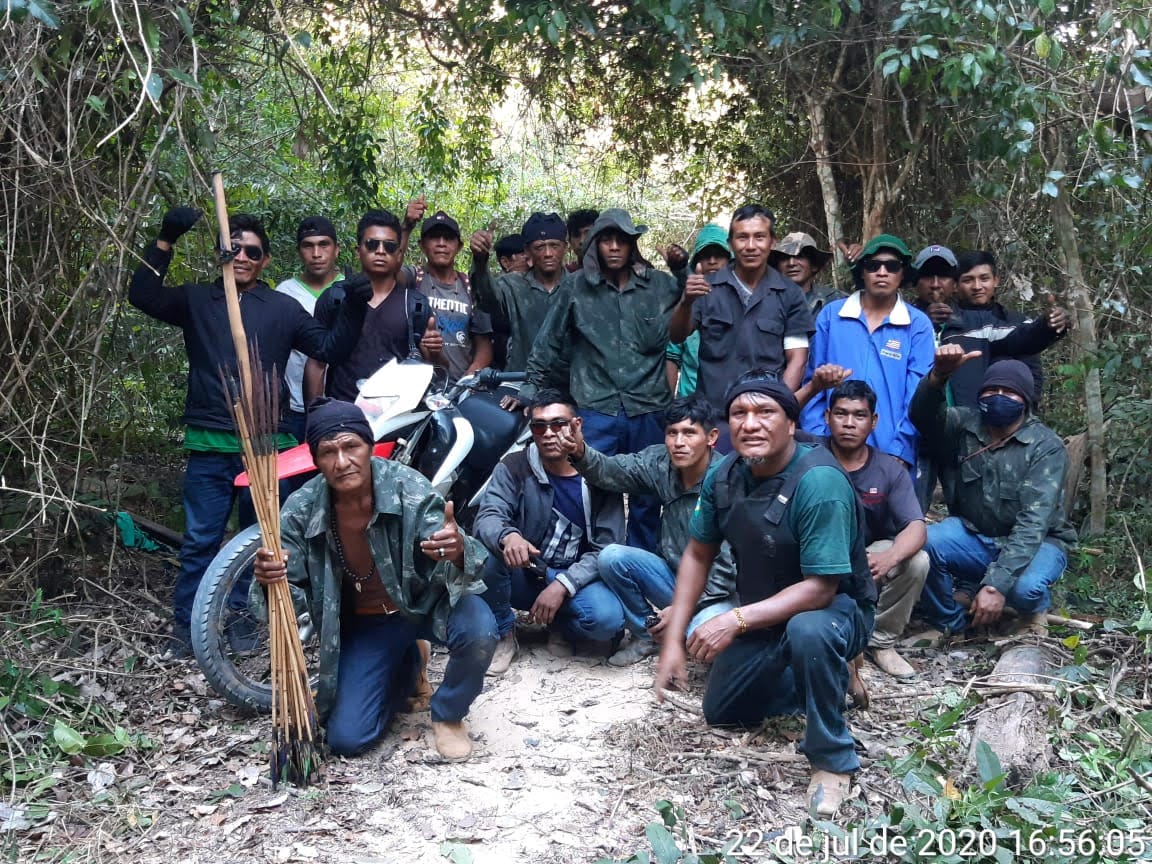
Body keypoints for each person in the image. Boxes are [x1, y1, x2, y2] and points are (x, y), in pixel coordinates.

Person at [128, 208, 370, 656]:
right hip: (210, 441)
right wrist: (164, 240)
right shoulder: (199, 300)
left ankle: (241, 620)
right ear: (221, 253)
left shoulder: (281, 307)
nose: (241, 256)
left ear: (264, 262)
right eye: (233, 247)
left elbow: (328, 346)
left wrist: (355, 304)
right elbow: (141, 295)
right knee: (201, 538)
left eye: (252, 251)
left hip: (265, 444)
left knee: (257, 540)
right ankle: (187, 626)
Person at [653, 372, 875, 818]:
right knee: (722, 710)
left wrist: (733, 621)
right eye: (740, 413)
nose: (750, 424)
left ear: (791, 424)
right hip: (765, 610)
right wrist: (673, 643)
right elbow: (698, 554)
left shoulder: (820, 483)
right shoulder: (725, 474)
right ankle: (827, 676)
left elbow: (821, 587)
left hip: (833, 610)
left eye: (766, 412)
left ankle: (832, 759)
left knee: (810, 631)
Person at [250, 398, 496, 759]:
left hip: (426, 603)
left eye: (352, 446)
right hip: (369, 623)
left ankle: (450, 714)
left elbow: (459, 551)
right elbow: (289, 601)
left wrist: (455, 548)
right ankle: (409, 664)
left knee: (480, 631)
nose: (342, 461)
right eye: (328, 452)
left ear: (370, 447)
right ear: (315, 460)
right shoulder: (301, 510)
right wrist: (271, 580)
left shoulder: (406, 486)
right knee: (348, 740)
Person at [518, 208, 681, 553]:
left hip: (648, 405)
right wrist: (531, 393)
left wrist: (683, 267)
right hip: (596, 406)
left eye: (621, 239)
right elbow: (547, 343)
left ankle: (640, 564)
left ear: (632, 244)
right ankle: (589, 562)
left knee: (648, 492)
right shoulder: (576, 288)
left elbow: (695, 305)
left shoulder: (660, 285)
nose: (614, 247)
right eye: (605, 239)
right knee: (589, 487)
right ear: (593, 246)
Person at [556, 394, 738, 666]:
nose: (679, 442)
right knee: (612, 557)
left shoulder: (726, 481)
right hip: (675, 578)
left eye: (689, 433)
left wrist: (681, 609)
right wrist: (580, 451)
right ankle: (647, 635)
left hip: (718, 593)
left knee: (703, 639)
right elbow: (611, 471)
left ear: (711, 437)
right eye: (672, 433)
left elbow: (727, 570)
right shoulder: (660, 463)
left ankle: (680, 632)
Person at [910, 351, 1077, 640]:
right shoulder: (964, 424)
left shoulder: (1045, 447)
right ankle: (949, 624)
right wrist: (938, 377)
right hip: (976, 535)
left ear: (1025, 400)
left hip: (1039, 544)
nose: (998, 397)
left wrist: (996, 586)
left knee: (1026, 590)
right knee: (925, 543)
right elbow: (922, 416)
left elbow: (1033, 525)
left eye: (1009, 392)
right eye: (991, 390)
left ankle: (1031, 613)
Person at [473, 390, 626, 671]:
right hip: (526, 571)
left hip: (576, 578)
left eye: (558, 424)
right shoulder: (514, 466)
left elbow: (608, 546)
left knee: (607, 621)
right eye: (539, 426)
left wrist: (563, 585)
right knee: (482, 551)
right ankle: (504, 633)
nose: (548, 433)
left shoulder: (601, 474)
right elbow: (488, 515)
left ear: (577, 425)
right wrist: (509, 536)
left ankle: (561, 622)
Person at [668, 205, 814, 427]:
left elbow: (798, 359)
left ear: (772, 242)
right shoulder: (707, 287)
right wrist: (686, 301)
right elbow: (677, 335)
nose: (751, 246)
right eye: (742, 237)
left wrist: (777, 406)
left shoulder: (790, 293)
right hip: (713, 418)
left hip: (764, 419)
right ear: (731, 243)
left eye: (759, 237)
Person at [800, 234, 934, 469]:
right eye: (873, 265)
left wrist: (900, 451)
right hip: (831, 452)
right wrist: (818, 442)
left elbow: (917, 394)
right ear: (862, 272)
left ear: (902, 274)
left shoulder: (917, 324)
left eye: (891, 266)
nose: (882, 272)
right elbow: (813, 381)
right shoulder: (832, 316)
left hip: (890, 455)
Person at [822, 380, 928, 680]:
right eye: (841, 414)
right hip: (810, 556)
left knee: (917, 560)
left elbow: (916, 527)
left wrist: (891, 556)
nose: (849, 423)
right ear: (828, 416)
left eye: (859, 415)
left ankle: (881, 642)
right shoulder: (807, 452)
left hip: (862, 559)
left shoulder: (889, 469)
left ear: (874, 421)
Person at [305, 209, 436, 404]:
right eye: (372, 244)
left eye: (389, 246)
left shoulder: (415, 305)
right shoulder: (335, 299)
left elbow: (431, 367)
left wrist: (433, 351)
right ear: (358, 251)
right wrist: (314, 417)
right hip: (342, 416)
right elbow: (316, 364)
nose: (381, 251)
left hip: (397, 418)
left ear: (399, 253)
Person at [939, 250, 1069, 407]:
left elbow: (1026, 340)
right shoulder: (945, 325)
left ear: (996, 280)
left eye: (984, 278)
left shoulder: (1016, 321)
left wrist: (1048, 325)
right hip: (960, 422)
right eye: (968, 280)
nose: (977, 286)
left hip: (1011, 424)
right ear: (956, 286)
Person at [469, 212, 569, 377]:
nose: (548, 253)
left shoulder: (578, 286)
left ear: (565, 248)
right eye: (539, 247)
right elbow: (487, 301)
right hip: (519, 384)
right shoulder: (512, 285)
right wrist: (480, 260)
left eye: (554, 245)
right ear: (527, 251)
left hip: (568, 388)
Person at [404, 210, 494, 382]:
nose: (441, 243)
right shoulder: (413, 279)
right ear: (422, 245)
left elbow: (484, 343)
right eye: (434, 238)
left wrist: (469, 377)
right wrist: (407, 226)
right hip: (416, 388)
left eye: (448, 238)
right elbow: (389, 271)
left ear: (459, 246)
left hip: (460, 388)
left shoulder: (470, 286)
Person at [276, 216, 342, 443]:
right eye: (308, 246)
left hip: (345, 406)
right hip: (294, 408)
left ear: (336, 250)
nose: (316, 253)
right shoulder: (284, 293)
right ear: (299, 251)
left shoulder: (352, 290)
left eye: (324, 244)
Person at [665, 224, 731, 398]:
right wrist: (670, 407)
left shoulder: (743, 299)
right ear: (697, 263)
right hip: (691, 405)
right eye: (705, 256)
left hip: (732, 403)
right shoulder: (686, 304)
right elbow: (672, 357)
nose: (712, 261)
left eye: (718, 255)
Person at [768, 232, 838, 315]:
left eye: (800, 256)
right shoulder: (764, 302)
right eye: (784, 258)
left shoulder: (835, 300)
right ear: (777, 267)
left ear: (814, 265)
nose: (791, 263)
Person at [909, 244, 958, 332]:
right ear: (915, 283)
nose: (935, 285)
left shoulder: (971, 318)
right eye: (927, 276)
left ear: (955, 284)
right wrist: (923, 320)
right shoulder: (901, 318)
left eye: (943, 276)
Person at [565, 208, 599, 273]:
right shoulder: (566, 275)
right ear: (569, 241)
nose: (582, 241)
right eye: (576, 235)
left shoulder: (616, 273)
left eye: (588, 234)